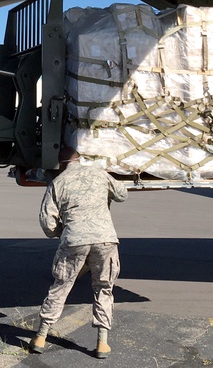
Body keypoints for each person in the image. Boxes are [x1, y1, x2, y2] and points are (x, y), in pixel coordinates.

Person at [30, 147, 127, 359]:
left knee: (61, 286)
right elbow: (122, 194)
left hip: (74, 240)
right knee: (104, 288)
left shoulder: (57, 183)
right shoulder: (98, 173)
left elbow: (47, 222)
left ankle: (40, 336)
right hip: (105, 239)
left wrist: (62, 233)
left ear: (61, 164)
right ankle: (102, 342)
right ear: (80, 160)